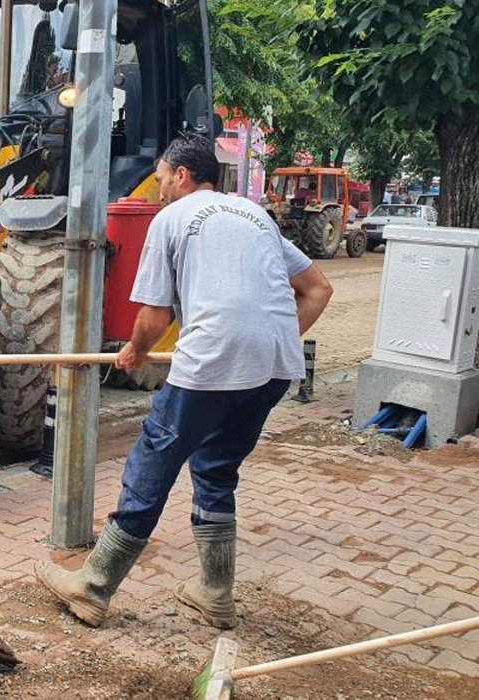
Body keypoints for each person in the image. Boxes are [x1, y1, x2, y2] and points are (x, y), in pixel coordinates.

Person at [34, 133, 334, 630]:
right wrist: (266, 341)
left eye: (160, 181)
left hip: (211, 362)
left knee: (153, 460)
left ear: (182, 176)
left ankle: (94, 586)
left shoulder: (170, 219)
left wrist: (136, 351)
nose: (158, 192)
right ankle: (216, 594)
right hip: (277, 366)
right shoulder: (254, 213)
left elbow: (153, 315)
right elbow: (318, 288)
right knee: (216, 469)